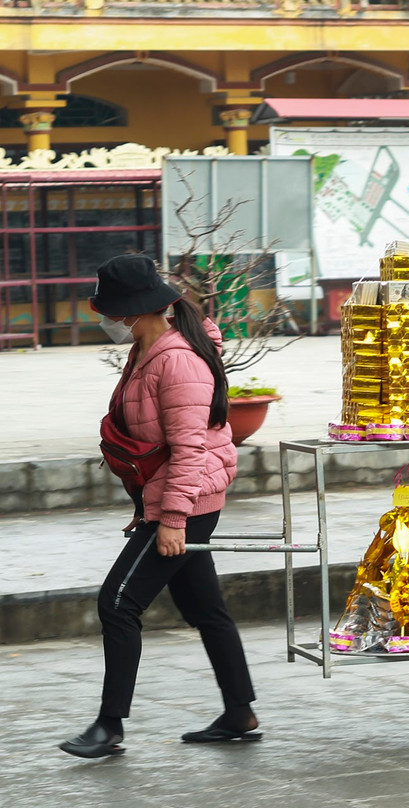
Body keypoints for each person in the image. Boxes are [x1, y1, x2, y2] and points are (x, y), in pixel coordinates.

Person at [59, 254, 258, 758]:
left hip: (187, 501)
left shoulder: (177, 360)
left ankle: (109, 726)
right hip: (179, 496)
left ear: (131, 310)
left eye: (108, 311)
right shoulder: (146, 351)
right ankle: (239, 712)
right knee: (204, 608)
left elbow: (190, 449)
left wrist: (171, 519)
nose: (106, 320)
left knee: (118, 603)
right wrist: (147, 502)